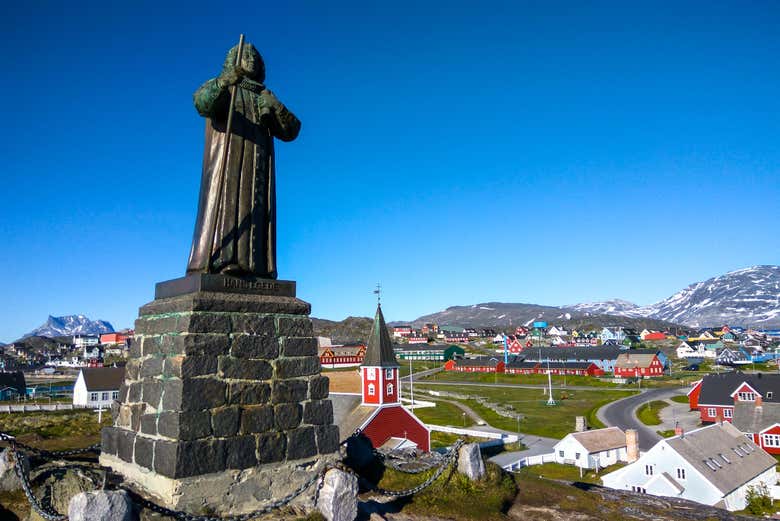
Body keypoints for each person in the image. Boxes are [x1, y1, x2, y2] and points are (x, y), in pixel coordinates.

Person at [187, 42, 300, 279]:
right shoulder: (224, 86)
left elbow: (291, 131)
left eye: (256, 57)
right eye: (246, 55)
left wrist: (276, 107)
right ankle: (219, 260)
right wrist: (224, 81)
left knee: (256, 213)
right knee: (226, 208)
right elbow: (202, 103)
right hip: (227, 163)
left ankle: (256, 267)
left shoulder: (265, 96)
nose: (251, 60)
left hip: (258, 169)